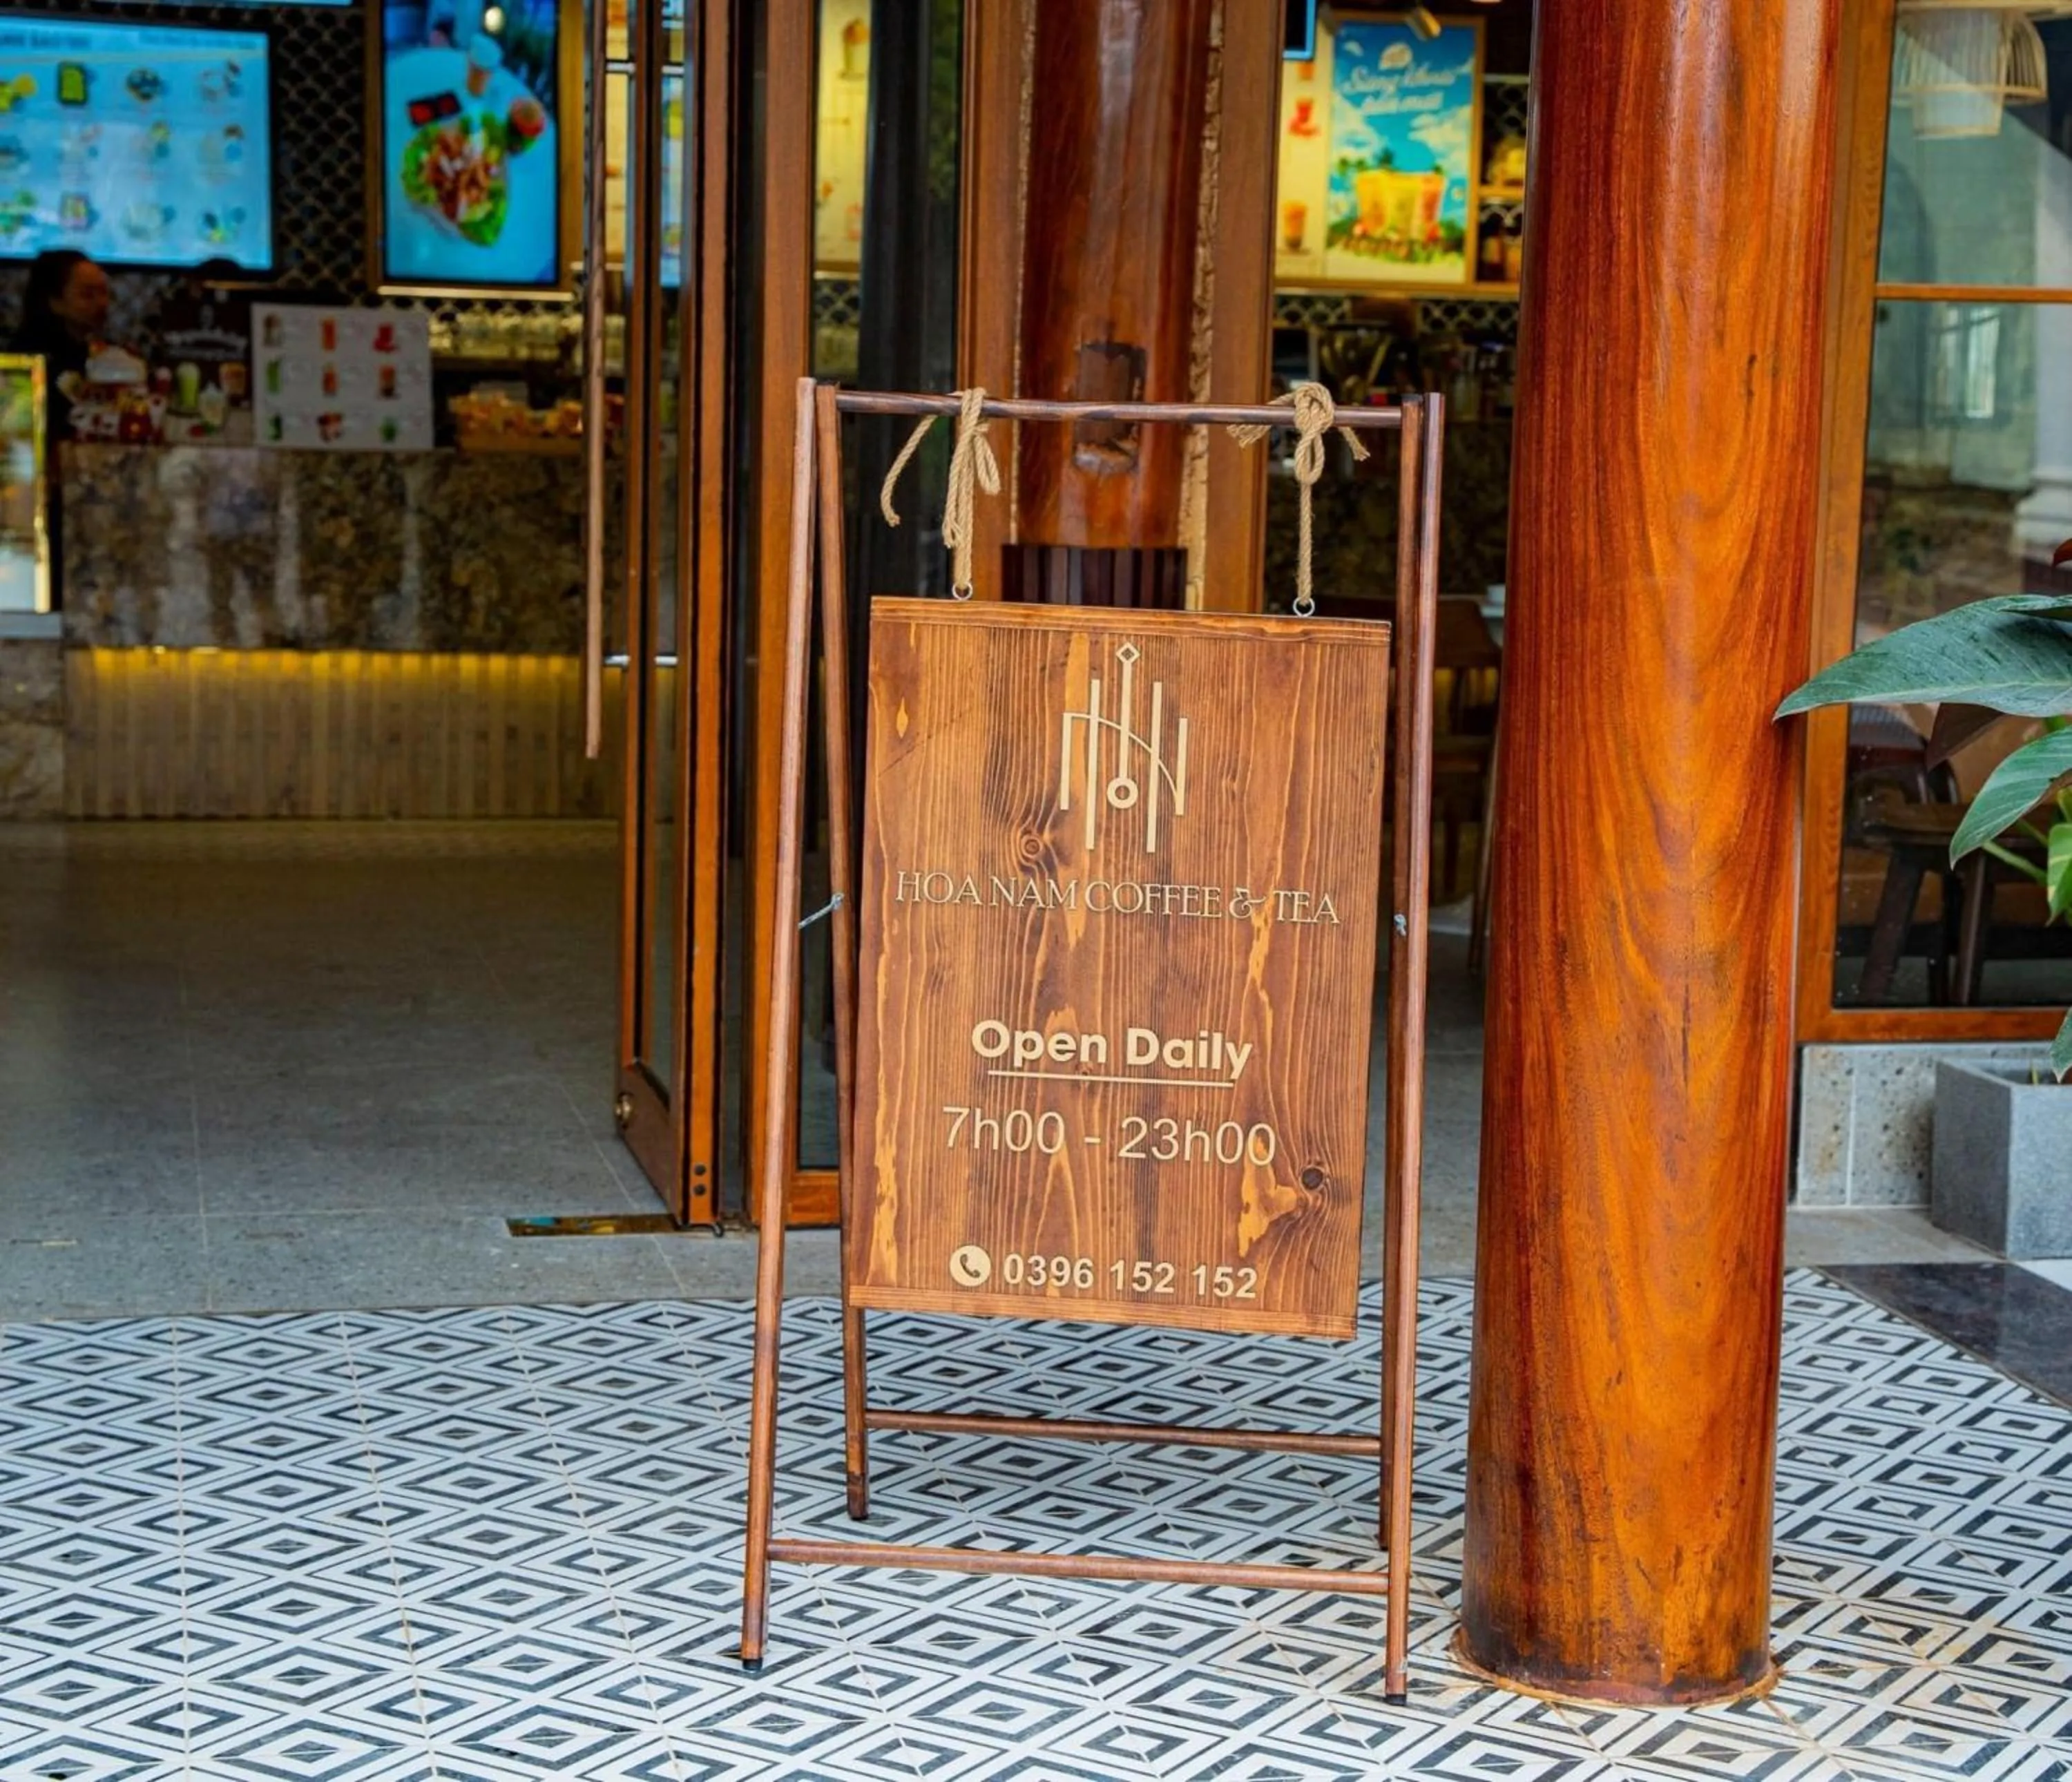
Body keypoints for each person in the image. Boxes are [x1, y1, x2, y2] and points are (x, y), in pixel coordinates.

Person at [10, 249, 112, 441]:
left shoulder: (90, 349)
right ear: (54, 301)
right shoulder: (28, 358)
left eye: (104, 292)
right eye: (88, 295)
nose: (102, 303)